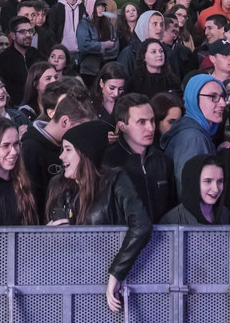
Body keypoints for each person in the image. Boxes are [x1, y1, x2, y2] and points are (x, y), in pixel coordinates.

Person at [45, 121, 152, 312]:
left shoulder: (115, 180)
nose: (61, 156)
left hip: (106, 279)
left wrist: (116, 273)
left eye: (68, 150)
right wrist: (45, 235)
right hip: (69, 282)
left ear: (86, 153)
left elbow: (141, 224)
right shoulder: (58, 186)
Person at [103, 93, 176, 222]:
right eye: (142, 122)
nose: (150, 128)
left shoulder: (164, 162)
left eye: (152, 120)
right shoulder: (108, 163)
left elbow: (172, 208)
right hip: (123, 234)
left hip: (161, 233)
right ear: (122, 126)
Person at [162, 74, 226, 184]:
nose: (223, 103)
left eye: (222, 97)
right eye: (213, 97)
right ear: (194, 99)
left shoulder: (192, 130)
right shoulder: (193, 137)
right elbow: (188, 185)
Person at [159, 155, 230, 226]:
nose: (216, 189)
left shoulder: (224, 214)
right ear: (192, 183)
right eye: (208, 181)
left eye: (220, 181)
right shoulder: (172, 220)